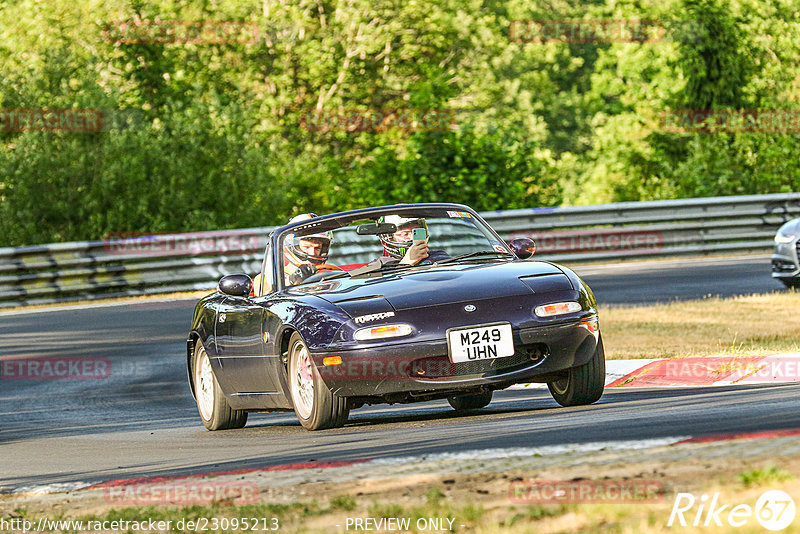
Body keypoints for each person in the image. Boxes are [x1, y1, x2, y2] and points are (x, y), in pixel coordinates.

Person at [375, 215, 449, 266]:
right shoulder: (380, 265)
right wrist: (407, 263)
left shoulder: (439, 256)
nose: (411, 238)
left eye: (415, 232)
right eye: (404, 234)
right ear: (388, 238)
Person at [283, 213, 334, 285]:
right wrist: (292, 280)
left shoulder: (328, 270)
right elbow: (266, 292)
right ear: (292, 246)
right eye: (306, 247)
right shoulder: (276, 275)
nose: (312, 253)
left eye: (317, 248)